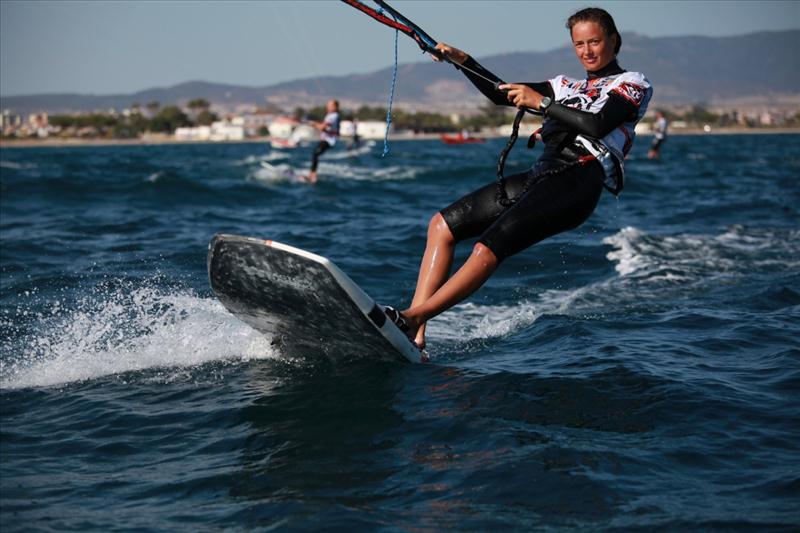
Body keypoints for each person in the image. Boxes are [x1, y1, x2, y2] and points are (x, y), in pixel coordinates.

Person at [384, 7, 652, 350]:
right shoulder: (564, 86)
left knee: (487, 248)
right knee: (441, 226)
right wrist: (461, 59)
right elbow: (501, 93)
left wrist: (541, 104)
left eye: (595, 42)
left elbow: (598, 125)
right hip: (542, 173)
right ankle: (416, 337)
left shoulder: (632, 83)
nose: (587, 51)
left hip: (579, 179)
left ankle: (410, 318)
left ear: (614, 40)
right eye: (579, 44)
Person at [305, 99, 340, 184]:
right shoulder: (330, 115)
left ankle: (313, 176)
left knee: (315, 153)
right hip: (327, 139)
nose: (328, 107)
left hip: (330, 140)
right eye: (328, 105)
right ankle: (312, 174)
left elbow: (322, 127)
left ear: (335, 107)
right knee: (315, 154)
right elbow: (323, 127)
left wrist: (313, 124)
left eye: (330, 105)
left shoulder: (333, 116)